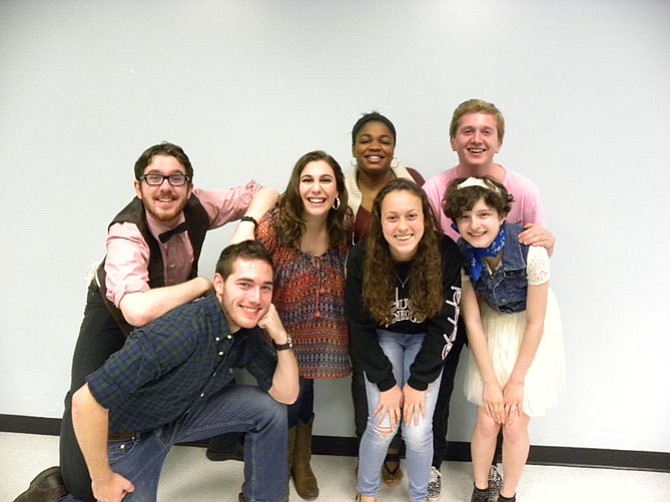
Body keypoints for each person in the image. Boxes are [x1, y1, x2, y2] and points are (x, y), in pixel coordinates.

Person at [13, 142, 278, 502]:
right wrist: (201, 285)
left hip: (168, 307)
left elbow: (266, 192)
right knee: (85, 398)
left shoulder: (198, 203)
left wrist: (246, 226)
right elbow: (135, 310)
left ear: (189, 186)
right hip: (114, 310)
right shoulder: (126, 231)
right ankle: (63, 485)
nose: (165, 187)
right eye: (154, 178)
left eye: (175, 178)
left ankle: (182, 441)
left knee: (184, 375)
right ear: (138, 187)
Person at [60, 239, 300, 502]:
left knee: (270, 410)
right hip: (126, 440)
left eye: (265, 288)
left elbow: (286, 396)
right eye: (244, 285)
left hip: (176, 416)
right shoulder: (178, 332)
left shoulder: (248, 333)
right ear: (219, 284)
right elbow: (84, 402)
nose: (256, 299)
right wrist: (103, 480)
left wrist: (281, 338)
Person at [422, 99, 555, 500]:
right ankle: (431, 464)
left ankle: (501, 470)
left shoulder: (523, 189)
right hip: (459, 297)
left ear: (499, 141)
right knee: (441, 384)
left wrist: (549, 242)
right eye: (467, 131)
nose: (476, 139)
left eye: (486, 132)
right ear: (453, 140)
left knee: (508, 410)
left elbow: (538, 247)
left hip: (508, 312)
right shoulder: (434, 189)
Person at [442, 177, 565, 502]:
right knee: (487, 419)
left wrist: (516, 381)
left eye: (484, 214)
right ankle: (480, 489)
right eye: (465, 217)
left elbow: (536, 321)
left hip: (530, 332)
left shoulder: (531, 251)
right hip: (492, 329)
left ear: (501, 215)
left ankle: (508, 494)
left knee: (513, 422)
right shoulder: (464, 255)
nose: (475, 224)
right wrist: (492, 381)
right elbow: (472, 320)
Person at [345, 179, 462, 502]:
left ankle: (419, 496)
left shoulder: (445, 253)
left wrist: (417, 383)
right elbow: (359, 327)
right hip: (383, 338)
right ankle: (366, 494)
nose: (402, 226)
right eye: (392, 217)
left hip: (427, 342)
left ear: (425, 216)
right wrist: (386, 383)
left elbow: (446, 325)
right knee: (383, 426)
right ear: (379, 221)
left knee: (417, 431)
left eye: (411, 216)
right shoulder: (362, 256)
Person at [255, 150, 352, 500]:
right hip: (275, 329)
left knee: (305, 392)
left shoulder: (344, 227)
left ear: (338, 188)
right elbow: (247, 270)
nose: (316, 188)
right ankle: (277, 462)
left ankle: (301, 460)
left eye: (325, 180)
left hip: (320, 329)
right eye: (308, 179)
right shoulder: (274, 226)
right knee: (280, 399)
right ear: (296, 186)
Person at [345, 112, 425, 488]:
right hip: (361, 296)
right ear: (353, 147)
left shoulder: (412, 182)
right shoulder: (341, 187)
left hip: (411, 306)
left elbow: (434, 232)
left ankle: (395, 453)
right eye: (365, 139)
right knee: (370, 383)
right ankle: (372, 461)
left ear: (394, 148)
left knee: (411, 392)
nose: (374, 146)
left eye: (384, 139)